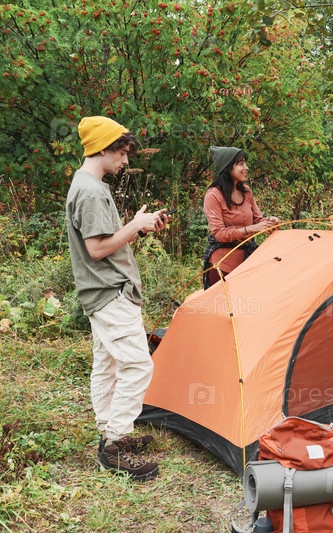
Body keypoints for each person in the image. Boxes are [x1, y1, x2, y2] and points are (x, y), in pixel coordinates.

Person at [65, 116, 170, 481]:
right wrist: (134, 226)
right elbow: (96, 250)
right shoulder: (91, 191)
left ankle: (110, 431)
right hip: (110, 293)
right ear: (102, 149)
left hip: (100, 292)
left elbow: (106, 242)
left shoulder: (87, 184)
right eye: (122, 153)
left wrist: (138, 227)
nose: (125, 161)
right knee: (138, 366)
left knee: (107, 364)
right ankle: (113, 446)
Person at [202, 146, 278, 289]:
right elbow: (219, 234)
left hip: (248, 261)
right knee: (226, 302)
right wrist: (252, 228)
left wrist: (269, 222)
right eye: (241, 164)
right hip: (223, 265)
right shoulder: (213, 195)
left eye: (245, 163)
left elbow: (257, 220)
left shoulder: (246, 191)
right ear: (227, 167)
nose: (246, 168)